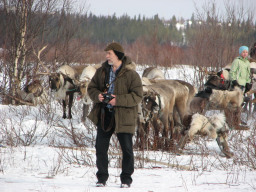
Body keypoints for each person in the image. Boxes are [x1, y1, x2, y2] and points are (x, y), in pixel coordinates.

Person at [87, 42, 143, 188]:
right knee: (100, 148)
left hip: (124, 117)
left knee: (127, 150)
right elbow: (91, 88)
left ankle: (126, 180)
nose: (106, 57)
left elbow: (137, 96)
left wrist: (117, 100)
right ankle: (102, 178)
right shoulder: (102, 71)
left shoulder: (132, 75)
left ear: (118, 55)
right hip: (105, 116)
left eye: (109, 54)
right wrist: (98, 96)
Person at [225, 46, 251, 130]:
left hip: (242, 85)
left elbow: (248, 74)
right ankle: (229, 121)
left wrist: (248, 83)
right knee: (233, 104)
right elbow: (232, 72)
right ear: (240, 53)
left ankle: (237, 121)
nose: (245, 53)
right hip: (236, 84)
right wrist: (234, 81)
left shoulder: (247, 62)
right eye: (243, 52)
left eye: (246, 52)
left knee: (239, 103)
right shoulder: (237, 61)